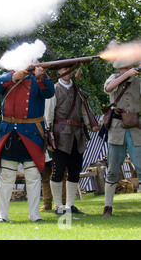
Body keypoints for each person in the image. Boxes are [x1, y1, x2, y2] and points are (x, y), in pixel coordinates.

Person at [0, 64, 55, 222]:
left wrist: (42, 77)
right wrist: (14, 77)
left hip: (31, 134)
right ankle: (2, 215)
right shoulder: (9, 78)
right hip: (9, 133)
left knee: (33, 176)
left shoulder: (37, 80)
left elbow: (49, 92)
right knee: (6, 176)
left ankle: (34, 215)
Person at [44, 63, 100, 215]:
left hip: (78, 134)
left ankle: (69, 206)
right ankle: (58, 206)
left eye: (69, 69)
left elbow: (83, 111)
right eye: (63, 69)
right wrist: (48, 136)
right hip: (59, 135)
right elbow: (48, 114)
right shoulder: (53, 89)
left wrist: (91, 125)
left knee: (75, 171)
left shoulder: (77, 90)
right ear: (58, 71)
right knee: (58, 171)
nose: (67, 72)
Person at [102, 57, 141, 218]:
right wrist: (127, 75)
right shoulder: (113, 78)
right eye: (126, 68)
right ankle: (107, 207)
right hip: (117, 129)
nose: (130, 70)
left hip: (136, 128)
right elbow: (108, 88)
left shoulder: (138, 82)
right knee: (112, 170)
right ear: (120, 70)